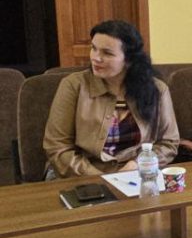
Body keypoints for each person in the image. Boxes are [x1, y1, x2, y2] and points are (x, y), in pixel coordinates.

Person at [43, 20, 179, 178]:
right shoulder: (73, 85)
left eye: (107, 53)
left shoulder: (157, 89)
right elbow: (57, 147)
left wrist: (136, 164)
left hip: (135, 173)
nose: (96, 58)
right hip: (80, 174)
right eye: (93, 48)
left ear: (129, 60)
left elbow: (168, 143)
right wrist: (102, 178)